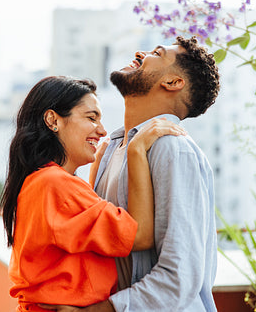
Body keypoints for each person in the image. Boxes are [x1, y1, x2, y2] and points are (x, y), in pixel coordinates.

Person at [41, 36, 220, 312]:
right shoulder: (111, 149)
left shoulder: (173, 149)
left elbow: (179, 278)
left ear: (173, 82)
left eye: (157, 53)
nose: (140, 53)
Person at [0, 75, 186, 312]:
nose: (102, 130)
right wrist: (136, 149)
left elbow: (76, 234)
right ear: (52, 120)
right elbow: (139, 236)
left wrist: (96, 172)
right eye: (91, 118)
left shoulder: (41, 180)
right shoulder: (55, 184)